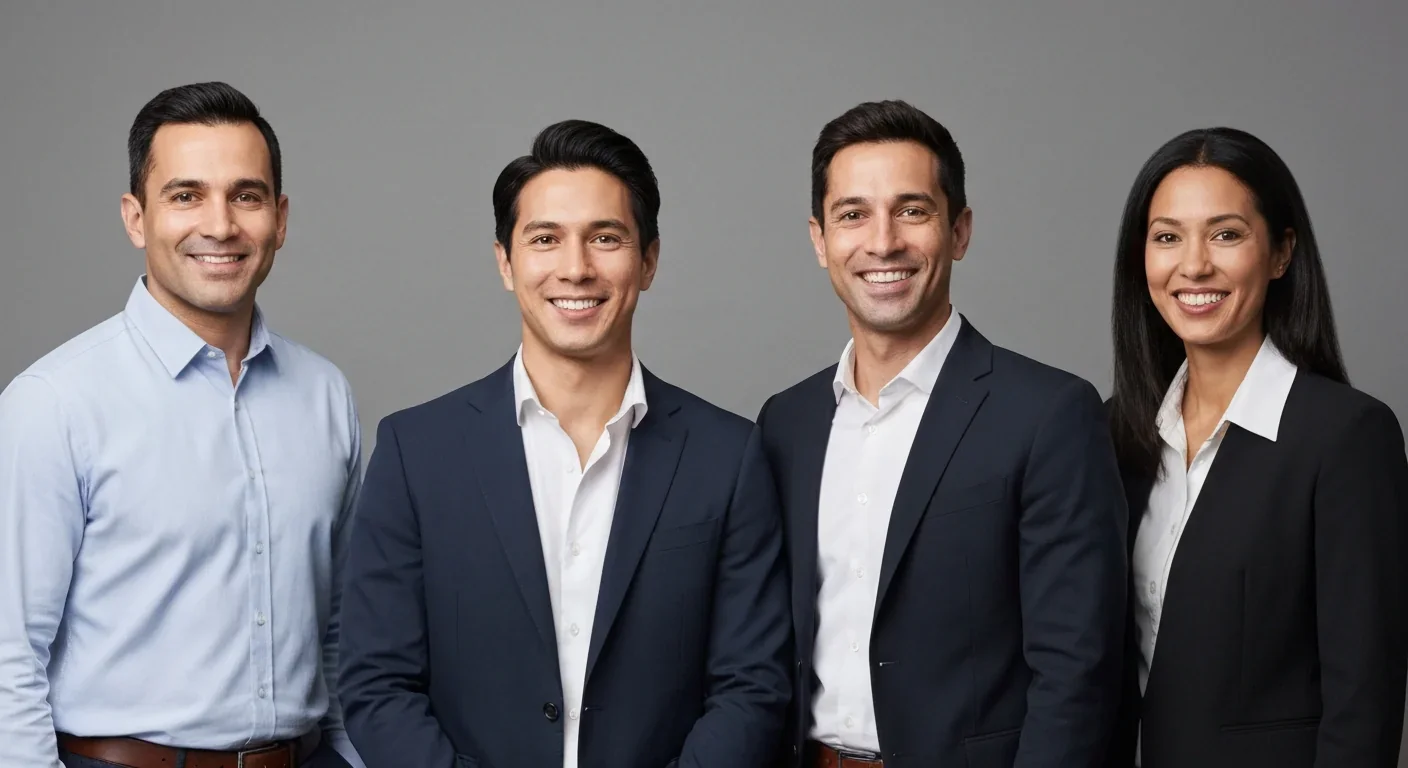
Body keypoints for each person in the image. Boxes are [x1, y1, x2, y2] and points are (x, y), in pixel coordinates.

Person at [337, 119, 792, 768]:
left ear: (650, 260)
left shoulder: (728, 455)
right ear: (505, 262)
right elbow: (377, 684)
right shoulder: (416, 452)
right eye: (545, 239)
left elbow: (752, 687)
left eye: (606, 238)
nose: (575, 269)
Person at [0, 82, 364, 768]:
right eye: (186, 195)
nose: (220, 225)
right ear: (136, 218)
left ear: (280, 219)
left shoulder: (326, 396)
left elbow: (339, 633)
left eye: (246, 196)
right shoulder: (53, 403)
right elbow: (6, 656)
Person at [756, 99, 1129, 768]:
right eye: (853, 215)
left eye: (912, 210)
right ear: (819, 240)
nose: (882, 241)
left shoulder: (1049, 414)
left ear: (959, 231)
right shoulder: (786, 424)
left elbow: (1077, 674)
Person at [1105, 126, 1408, 768]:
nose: (1194, 265)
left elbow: (1364, 703)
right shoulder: (1114, 435)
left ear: (1280, 252)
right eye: (1167, 237)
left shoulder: (1347, 437)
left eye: (1226, 234)